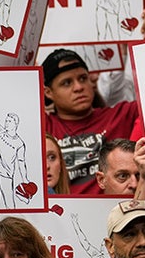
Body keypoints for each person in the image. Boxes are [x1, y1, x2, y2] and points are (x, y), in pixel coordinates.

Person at [42, 48, 139, 195]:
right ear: (48, 92)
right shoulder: (40, 126)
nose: (79, 87)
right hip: (60, 209)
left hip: (115, 208)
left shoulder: (122, 115)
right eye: (67, 83)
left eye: (83, 78)